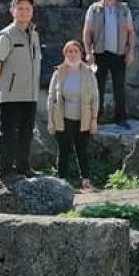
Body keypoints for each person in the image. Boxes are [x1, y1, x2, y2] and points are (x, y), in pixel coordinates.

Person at [0, 0, 42, 183]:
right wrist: (5, 83)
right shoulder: (6, 35)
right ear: (12, 11)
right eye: (20, 8)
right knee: (8, 134)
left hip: (30, 94)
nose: (24, 12)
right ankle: (4, 171)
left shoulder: (34, 34)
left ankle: (23, 166)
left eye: (28, 8)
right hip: (11, 95)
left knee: (27, 133)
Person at [82, 0, 136, 129]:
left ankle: (121, 118)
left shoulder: (124, 9)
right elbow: (86, 32)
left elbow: (131, 32)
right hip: (99, 53)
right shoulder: (94, 9)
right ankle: (96, 118)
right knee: (97, 87)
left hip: (119, 54)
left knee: (119, 87)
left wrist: (131, 52)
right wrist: (88, 52)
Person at [47, 40, 99, 191]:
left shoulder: (89, 72)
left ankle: (86, 181)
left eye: (75, 51)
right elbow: (51, 97)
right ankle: (61, 182)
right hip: (62, 118)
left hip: (83, 118)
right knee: (63, 150)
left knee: (82, 150)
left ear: (81, 53)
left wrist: (94, 119)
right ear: (65, 54)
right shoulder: (58, 72)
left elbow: (95, 97)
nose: (73, 54)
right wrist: (50, 120)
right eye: (69, 51)